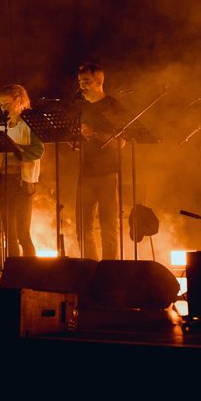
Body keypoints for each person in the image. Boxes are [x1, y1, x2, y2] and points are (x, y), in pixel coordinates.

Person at [72, 62, 125, 260]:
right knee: (83, 227)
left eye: (86, 81)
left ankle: (109, 269)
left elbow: (121, 142)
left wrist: (94, 134)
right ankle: (90, 267)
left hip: (107, 173)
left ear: (99, 81)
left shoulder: (112, 106)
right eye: (80, 82)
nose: (82, 86)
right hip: (85, 172)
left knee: (109, 226)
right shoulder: (81, 107)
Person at [0, 84, 44, 258]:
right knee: (9, 234)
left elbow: (38, 150)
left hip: (23, 181)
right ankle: (14, 270)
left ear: (19, 100)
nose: (3, 107)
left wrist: (19, 151)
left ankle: (31, 270)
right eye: (1, 104)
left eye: (7, 103)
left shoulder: (29, 123)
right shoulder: (4, 125)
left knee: (23, 233)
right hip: (5, 179)